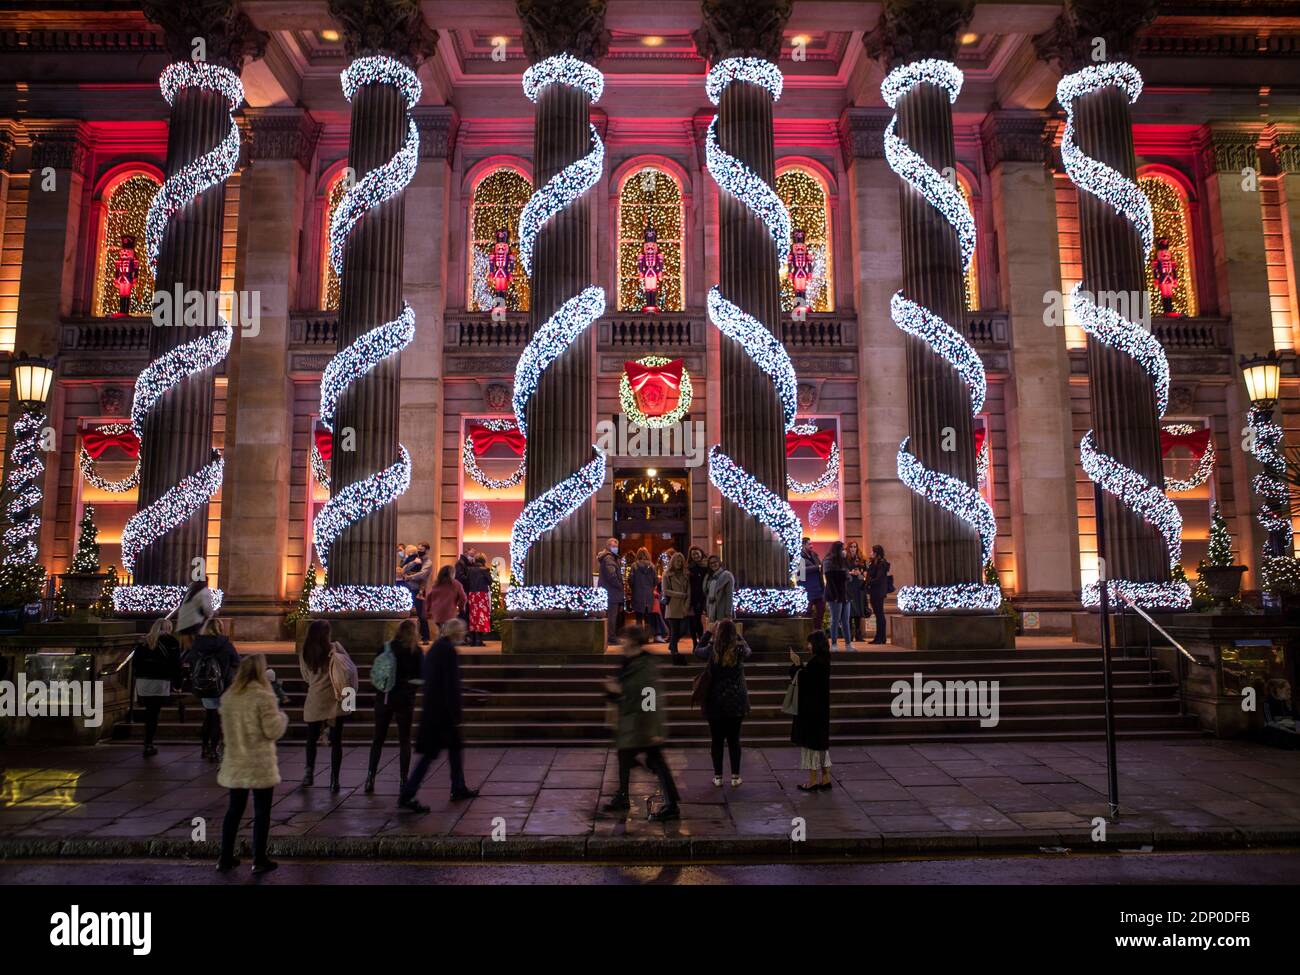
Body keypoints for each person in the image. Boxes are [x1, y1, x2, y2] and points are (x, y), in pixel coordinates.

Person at [216, 653, 288, 875]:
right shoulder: (262, 697)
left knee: (234, 811)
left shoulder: (229, 697)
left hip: (236, 760)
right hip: (258, 762)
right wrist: (282, 717)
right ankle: (259, 858)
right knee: (261, 811)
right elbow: (272, 730)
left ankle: (225, 857)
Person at [601, 626, 681, 821]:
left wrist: (653, 729)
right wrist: (614, 691)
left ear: (633, 642)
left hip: (641, 726)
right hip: (631, 724)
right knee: (625, 759)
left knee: (656, 763)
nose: (621, 642)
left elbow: (650, 699)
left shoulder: (643, 667)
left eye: (625, 639)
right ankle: (623, 796)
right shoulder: (629, 663)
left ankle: (671, 805)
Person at [400, 618, 478, 810]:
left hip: (434, 710)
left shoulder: (436, 648)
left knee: (454, 750)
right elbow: (449, 685)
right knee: (429, 756)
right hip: (441, 714)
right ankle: (408, 794)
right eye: (462, 632)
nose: (464, 635)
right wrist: (456, 714)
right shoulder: (448, 651)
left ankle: (458, 786)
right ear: (456, 633)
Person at [299, 619, 358, 792]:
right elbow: (349, 670)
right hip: (336, 699)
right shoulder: (336, 648)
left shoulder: (306, 651)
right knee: (336, 742)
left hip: (315, 698)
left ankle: (308, 773)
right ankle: (334, 779)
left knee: (311, 739)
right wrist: (350, 700)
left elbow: (305, 676)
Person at [366, 618, 424, 793]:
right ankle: (403, 780)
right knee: (404, 740)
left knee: (378, 739)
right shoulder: (416, 651)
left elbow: (375, 672)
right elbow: (421, 677)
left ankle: (370, 777)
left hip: (383, 698)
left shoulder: (386, 648)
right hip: (404, 700)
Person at [693, 618, 751, 787]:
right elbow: (749, 650)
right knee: (734, 740)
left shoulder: (712, 650)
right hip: (736, 701)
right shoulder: (739, 650)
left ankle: (718, 777)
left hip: (715, 701)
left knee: (716, 740)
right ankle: (735, 776)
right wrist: (739, 635)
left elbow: (696, 651)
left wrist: (708, 632)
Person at [183, 617, 239, 762]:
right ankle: (214, 749)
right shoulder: (225, 643)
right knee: (217, 718)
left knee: (209, 716)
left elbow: (189, 660)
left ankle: (204, 747)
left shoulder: (197, 644)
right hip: (222, 685)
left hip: (204, 685)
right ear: (219, 628)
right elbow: (236, 661)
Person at [790, 630, 832, 791]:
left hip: (811, 710)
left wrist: (796, 665)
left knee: (811, 746)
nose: (807, 646)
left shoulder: (816, 663)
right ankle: (826, 777)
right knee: (821, 746)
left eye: (809, 643)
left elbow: (804, 680)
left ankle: (813, 780)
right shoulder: (824, 660)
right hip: (821, 708)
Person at [133, 618, 181, 757]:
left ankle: (148, 741)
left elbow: (136, 663)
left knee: (149, 711)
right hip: (160, 681)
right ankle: (149, 743)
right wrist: (178, 683)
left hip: (144, 681)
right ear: (168, 628)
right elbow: (175, 664)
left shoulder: (144, 641)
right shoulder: (171, 641)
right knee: (154, 712)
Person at [662, 552, 692, 665]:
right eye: (677, 561)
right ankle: (674, 652)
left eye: (681, 561)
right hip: (673, 606)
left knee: (683, 630)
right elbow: (665, 591)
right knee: (674, 631)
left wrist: (687, 604)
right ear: (672, 562)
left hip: (684, 606)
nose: (679, 563)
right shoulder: (667, 575)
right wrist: (681, 595)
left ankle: (671, 645)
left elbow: (689, 591)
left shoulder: (686, 574)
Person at [824, 541, 853, 650]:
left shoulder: (843, 561)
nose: (844, 551)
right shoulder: (829, 561)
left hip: (845, 593)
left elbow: (848, 576)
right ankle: (834, 644)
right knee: (835, 620)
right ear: (837, 549)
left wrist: (845, 561)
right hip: (834, 594)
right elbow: (830, 580)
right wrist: (835, 596)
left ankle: (848, 644)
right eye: (842, 549)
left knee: (845, 620)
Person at [597, 538, 625, 645]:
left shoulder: (610, 558)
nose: (616, 548)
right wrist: (619, 586)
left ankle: (610, 636)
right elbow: (612, 575)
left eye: (617, 546)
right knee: (612, 616)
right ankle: (611, 637)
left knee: (610, 616)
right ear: (608, 546)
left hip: (609, 592)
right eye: (614, 546)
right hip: (611, 593)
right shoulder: (609, 558)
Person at [425, 564, 467, 632]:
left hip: (437, 613)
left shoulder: (436, 584)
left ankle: (441, 640)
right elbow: (463, 598)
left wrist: (428, 611)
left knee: (441, 631)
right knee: (449, 632)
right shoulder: (456, 584)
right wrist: (461, 608)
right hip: (449, 612)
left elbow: (429, 598)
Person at [406, 543, 433, 643]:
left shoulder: (428, 562)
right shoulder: (415, 559)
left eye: (421, 549)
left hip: (419, 590)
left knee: (421, 615)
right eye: (418, 549)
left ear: (427, 550)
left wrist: (410, 576)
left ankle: (425, 637)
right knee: (409, 614)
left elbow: (423, 574)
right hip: (409, 588)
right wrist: (413, 563)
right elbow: (404, 569)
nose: (419, 551)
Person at [464, 554, 493, 646]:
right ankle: (479, 640)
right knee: (481, 617)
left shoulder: (469, 570)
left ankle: (472, 640)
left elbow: (467, 581)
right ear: (484, 560)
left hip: (472, 594)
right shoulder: (485, 570)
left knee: (473, 617)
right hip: (482, 595)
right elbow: (490, 581)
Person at [866, 544, 892, 645]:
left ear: (876, 553)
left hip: (878, 592)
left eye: (872, 552)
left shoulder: (882, 564)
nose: (870, 553)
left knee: (879, 614)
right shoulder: (874, 563)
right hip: (875, 591)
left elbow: (878, 578)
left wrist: (868, 583)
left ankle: (881, 637)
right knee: (878, 614)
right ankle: (879, 637)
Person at [799, 538, 825, 632]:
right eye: (809, 544)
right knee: (807, 613)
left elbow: (820, 566)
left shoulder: (814, 555)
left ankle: (817, 631)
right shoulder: (800, 557)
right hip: (807, 590)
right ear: (803, 545)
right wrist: (815, 568)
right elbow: (801, 573)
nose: (811, 546)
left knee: (821, 612)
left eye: (811, 544)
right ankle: (807, 634)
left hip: (819, 588)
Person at [629, 548, 658, 632]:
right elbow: (655, 581)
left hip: (637, 595)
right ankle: (647, 637)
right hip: (649, 596)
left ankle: (639, 638)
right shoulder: (652, 566)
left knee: (638, 618)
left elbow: (631, 580)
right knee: (648, 619)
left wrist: (634, 588)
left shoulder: (634, 566)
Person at [687, 546, 710, 647]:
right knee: (692, 621)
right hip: (690, 598)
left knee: (698, 620)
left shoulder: (707, 567)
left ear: (701, 553)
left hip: (702, 598)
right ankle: (694, 642)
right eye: (693, 554)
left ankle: (700, 641)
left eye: (697, 553)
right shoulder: (689, 568)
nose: (695, 556)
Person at [846, 540, 867, 641]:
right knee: (850, 611)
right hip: (849, 586)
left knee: (858, 611)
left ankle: (859, 635)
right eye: (851, 547)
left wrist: (859, 574)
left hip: (858, 586)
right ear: (848, 548)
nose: (853, 549)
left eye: (855, 547)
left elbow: (865, 574)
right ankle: (849, 635)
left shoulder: (861, 559)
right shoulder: (845, 559)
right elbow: (843, 571)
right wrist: (850, 572)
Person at [704, 554, 734, 625]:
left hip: (722, 609)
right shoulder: (709, 576)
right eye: (711, 563)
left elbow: (729, 595)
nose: (713, 564)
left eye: (715, 562)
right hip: (711, 608)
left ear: (719, 562)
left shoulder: (727, 575)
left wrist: (728, 613)